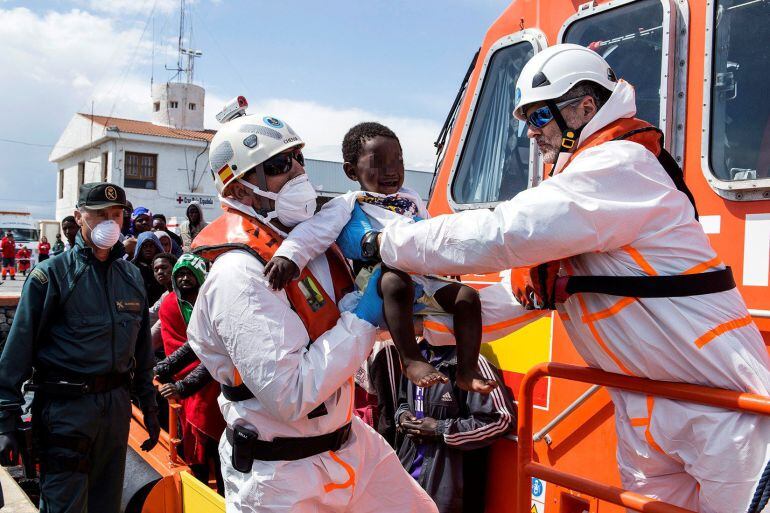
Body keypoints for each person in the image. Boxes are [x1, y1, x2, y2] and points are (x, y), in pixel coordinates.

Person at [338, 44, 770, 512]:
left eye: (540, 116)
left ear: (586, 107)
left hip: (721, 405)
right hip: (643, 405)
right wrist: (419, 322)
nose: (531, 132)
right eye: (526, 119)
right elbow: (522, 298)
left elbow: (504, 232)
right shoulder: (586, 193)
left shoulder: (620, 167)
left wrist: (386, 243)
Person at [186, 112, 437, 513]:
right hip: (282, 478)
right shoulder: (240, 275)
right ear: (241, 189)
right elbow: (290, 394)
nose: (299, 172)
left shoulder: (310, 245)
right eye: (279, 165)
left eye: (297, 157)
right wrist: (365, 314)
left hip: (350, 444)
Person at [267, 122, 495, 394]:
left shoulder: (411, 198)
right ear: (352, 171)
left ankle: (466, 370)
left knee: (468, 298)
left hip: (421, 280)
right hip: (379, 281)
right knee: (395, 283)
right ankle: (411, 359)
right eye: (379, 162)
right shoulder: (349, 203)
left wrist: (448, 262)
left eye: (398, 161)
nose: (392, 171)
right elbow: (314, 232)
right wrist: (289, 256)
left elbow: (432, 228)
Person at [0, 182, 160, 513]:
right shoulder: (51, 276)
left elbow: (142, 353)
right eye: (99, 214)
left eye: (116, 215)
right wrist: (6, 418)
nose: (109, 223)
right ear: (80, 217)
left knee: (107, 503)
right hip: (66, 410)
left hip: (116, 412)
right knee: (65, 505)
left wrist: (150, 405)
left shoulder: (131, 277)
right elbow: (17, 351)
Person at [395, 342, 514, 513]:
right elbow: (403, 402)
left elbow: (501, 420)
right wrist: (402, 416)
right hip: (406, 478)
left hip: (448, 492)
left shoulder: (472, 363)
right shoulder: (413, 357)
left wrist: (440, 429)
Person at [154, 253, 225, 494]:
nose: (184, 278)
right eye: (180, 274)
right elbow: (187, 345)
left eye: (189, 273)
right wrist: (161, 370)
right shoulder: (170, 304)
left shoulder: (214, 303)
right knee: (194, 444)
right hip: (189, 384)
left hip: (219, 381)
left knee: (221, 447)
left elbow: (215, 352)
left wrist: (184, 386)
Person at [149, 252, 177, 352]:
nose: (160, 272)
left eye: (164, 267)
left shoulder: (184, 291)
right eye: (156, 270)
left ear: (175, 268)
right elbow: (151, 314)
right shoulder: (165, 296)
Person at [131, 231, 165, 305]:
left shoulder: (164, 266)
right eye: (145, 246)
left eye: (151, 246)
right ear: (140, 247)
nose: (148, 249)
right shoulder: (132, 267)